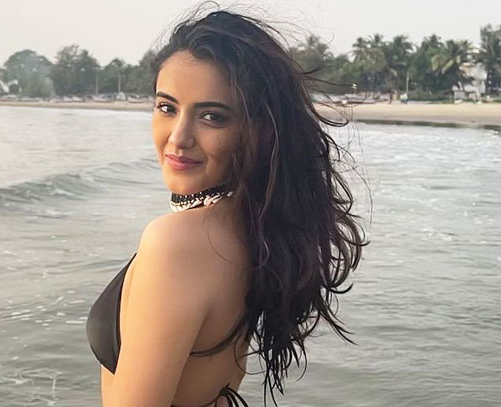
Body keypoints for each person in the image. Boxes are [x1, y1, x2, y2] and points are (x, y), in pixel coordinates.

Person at [86, 5, 367, 407]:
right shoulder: (252, 228)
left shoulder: (178, 242)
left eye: (212, 117)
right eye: (167, 108)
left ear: (256, 131)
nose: (178, 137)